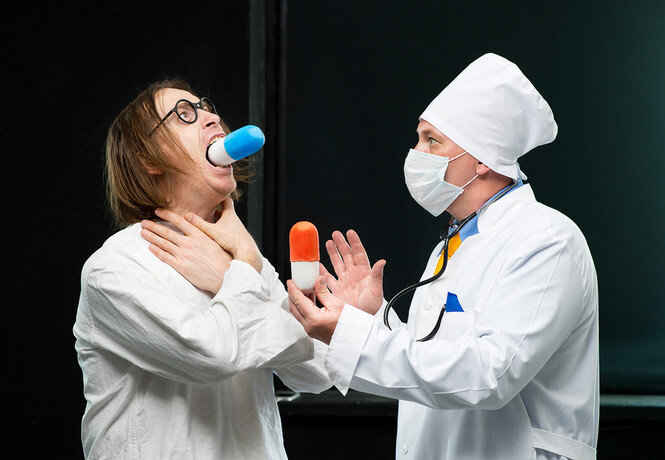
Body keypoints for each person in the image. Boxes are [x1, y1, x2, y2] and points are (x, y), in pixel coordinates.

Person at [287, 53, 599, 459]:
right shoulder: (454, 244)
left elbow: (489, 375)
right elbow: (431, 358)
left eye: (432, 140)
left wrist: (349, 336)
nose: (416, 152)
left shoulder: (548, 241)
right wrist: (373, 318)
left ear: (483, 159)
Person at [73, 78, 330, 459]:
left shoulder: (242, 260)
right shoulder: (114, 268)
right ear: (148, 160)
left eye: (206, 107)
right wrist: (241, 270)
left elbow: (316, 372)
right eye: (183, 115)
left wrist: (238, 271)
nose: (212, 118)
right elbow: (213, 355)